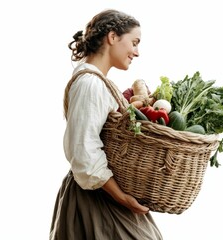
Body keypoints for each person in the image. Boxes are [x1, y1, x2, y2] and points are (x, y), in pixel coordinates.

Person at [49, 9, 163, 240]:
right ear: (112, 37)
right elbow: (83, 152)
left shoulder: (99, 83)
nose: (137, 52)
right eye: (134, 42)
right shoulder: (90, 84)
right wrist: (121, 197)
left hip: (105, 192)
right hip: (96, 198)